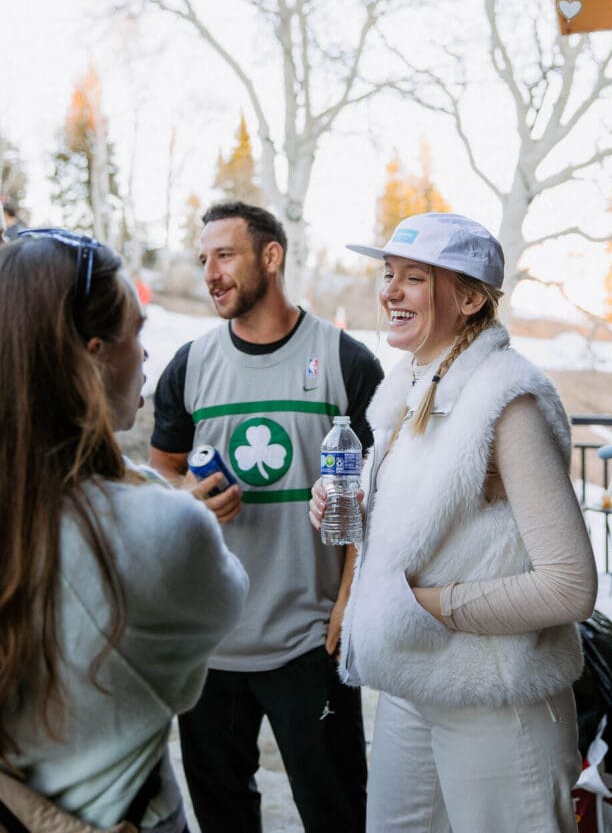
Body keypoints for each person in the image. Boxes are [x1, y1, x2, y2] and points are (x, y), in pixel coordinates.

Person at [310, 212, 598, 833]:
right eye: (388, 275)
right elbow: (428, 526)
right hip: (413, 684)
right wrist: (358, 509)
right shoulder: (405, 391)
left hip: (500, 698)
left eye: (413, 278)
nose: (389, 291)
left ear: (469, 298)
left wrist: (423, 605)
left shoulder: (507, 401)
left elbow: (570, 586)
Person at [0, 229, 248, 833]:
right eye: (136, 333)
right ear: (92, 356)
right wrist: (168, 503)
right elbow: (192, 663)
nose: (146, 356)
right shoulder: (170, 529)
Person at [150, 201, 383, 833]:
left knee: (338, 813)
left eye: (224, 255)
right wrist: (186, 497)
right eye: (204, 260)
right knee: (224, 817)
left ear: (270, 257)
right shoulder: (191, 364)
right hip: (211, 641)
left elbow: (377, 494)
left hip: (312, 636)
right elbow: (162, 470)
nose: (210, 273)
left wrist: (348, 602)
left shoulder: (345, 361)